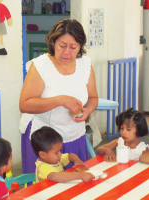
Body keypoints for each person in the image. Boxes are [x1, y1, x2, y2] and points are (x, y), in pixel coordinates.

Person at [19, 18, 98, 173]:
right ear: (53, 42)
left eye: (73, 47)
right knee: (45, 189)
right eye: (62, 46)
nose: (67, 52)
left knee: (75, 187)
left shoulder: (85, 64)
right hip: (45, 143)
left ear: (80, 47)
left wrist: (87, 110)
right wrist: (60, 100)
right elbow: (24, 104)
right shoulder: (41, 65)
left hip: (75, 135)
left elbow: (93, 98)